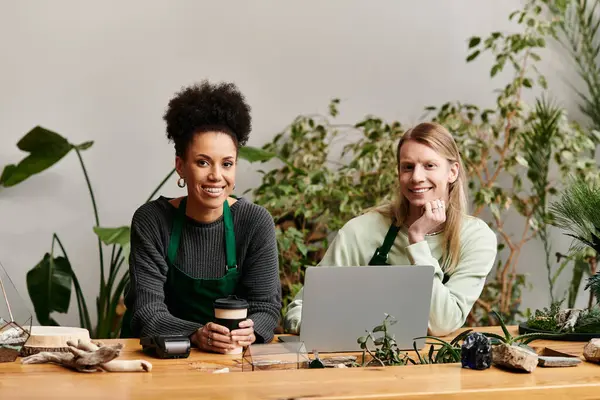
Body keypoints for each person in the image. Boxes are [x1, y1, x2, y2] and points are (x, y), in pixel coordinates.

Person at [283, 122, 497, 336]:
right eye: (408, 166)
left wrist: (417, 240)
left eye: (429, 165)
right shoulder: (361, 230)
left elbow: (443, 323)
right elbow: (299, 310)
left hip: (435, 365)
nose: (416, 177)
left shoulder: (476, 238)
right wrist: (339, 330)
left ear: (452, 172)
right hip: (362, 361)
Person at [122, 81, 281, 353]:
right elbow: (146, 311)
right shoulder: (152, 221)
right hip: (158, 358)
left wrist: (248, 332)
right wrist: (196, 334)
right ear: (181, 166)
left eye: (227, 164)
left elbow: (265, 307)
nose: (216, 176)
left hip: (228, 360)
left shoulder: (255, 222)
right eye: (203, 162)